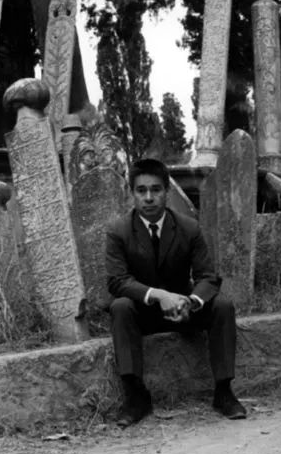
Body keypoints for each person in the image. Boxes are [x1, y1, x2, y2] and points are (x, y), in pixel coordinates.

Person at [106, 157, 247, 427]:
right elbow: (117, 281)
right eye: (141, 190)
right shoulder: (118, 231)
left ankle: (224, 391)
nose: (149, 198)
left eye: (156, 190)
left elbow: (208, 277)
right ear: (132, 194)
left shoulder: (188, 227)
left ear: (166, 192)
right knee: (120, 307)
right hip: (144, 312)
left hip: (184, 311)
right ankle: (136, 397)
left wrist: (191, 303)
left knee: (223, 306)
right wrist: (159, 295)